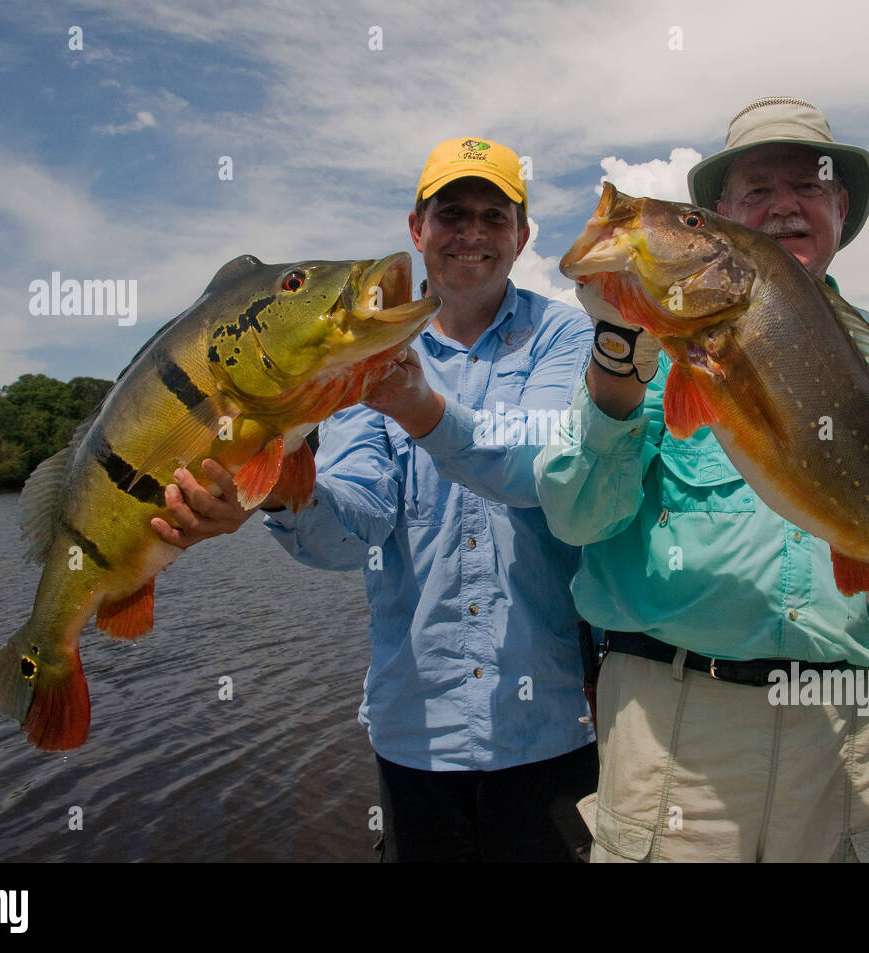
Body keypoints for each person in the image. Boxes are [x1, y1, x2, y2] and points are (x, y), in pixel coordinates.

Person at [534, 97, 869, 862]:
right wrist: (618, 364)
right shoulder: (646, 341)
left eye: (812, 183)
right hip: (676, 734)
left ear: (841, 207)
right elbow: (575, 517)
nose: (786, 205)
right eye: (757, 190)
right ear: (724, 221)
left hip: (844, 734)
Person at [151, 136, 597, 862]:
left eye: (494, 214)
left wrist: (424, 410)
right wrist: (276, 496)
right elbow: (353, 524)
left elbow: (541, 469)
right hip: (416, 732)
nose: (472, 233)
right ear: (417, 230)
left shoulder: (564, 335)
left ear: (522, 235)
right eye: (452, 213)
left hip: (551, 727)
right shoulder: (356, 351)